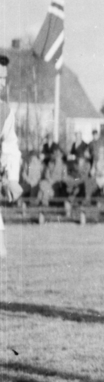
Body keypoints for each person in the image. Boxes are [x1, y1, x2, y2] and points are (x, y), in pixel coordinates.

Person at [0, 53, 21, 259]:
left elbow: (11, 147)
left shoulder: (4, 112)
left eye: (4, 78)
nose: (2, 84)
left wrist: (12, 179)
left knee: (1, 251)